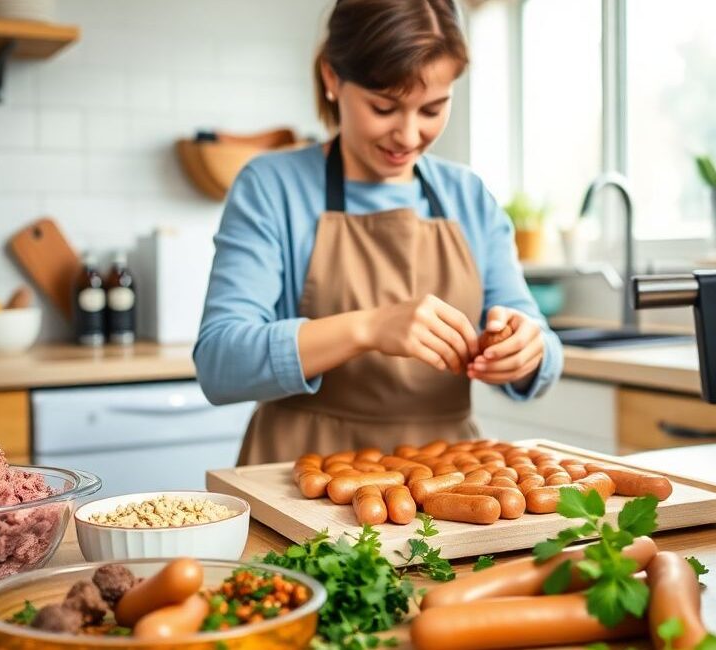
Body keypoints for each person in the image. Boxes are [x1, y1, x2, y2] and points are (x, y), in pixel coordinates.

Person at [195, 0, 564, 465]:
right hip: (296, 471)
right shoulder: (271, 187)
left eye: (432, 109)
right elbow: (219, 362)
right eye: (384, 107)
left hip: (447, 477)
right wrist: (368, 327)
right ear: (332, 78)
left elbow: (542, 345)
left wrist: (527, 350)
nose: (408, 136)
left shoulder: (468, 196)